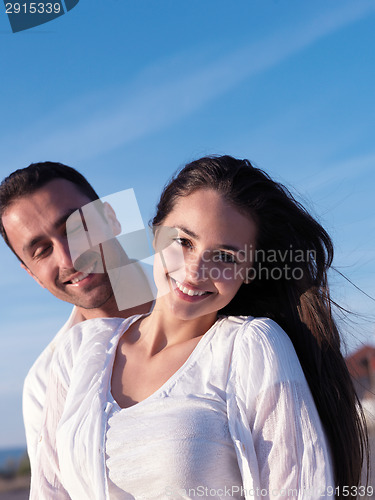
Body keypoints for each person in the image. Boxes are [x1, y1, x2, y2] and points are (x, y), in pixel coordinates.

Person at [31, 155, 368, 499]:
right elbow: (48, 490)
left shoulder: (251, 346)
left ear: (249, 271)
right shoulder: (79, 350)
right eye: (184, 242)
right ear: (154, 235)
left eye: (224, 256)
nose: (194, 272)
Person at [0, 162, 153, 471]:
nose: (69, 258)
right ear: (32, 275)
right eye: (42, 250)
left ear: (111, 218)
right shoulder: (45, 382)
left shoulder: (215, 298)